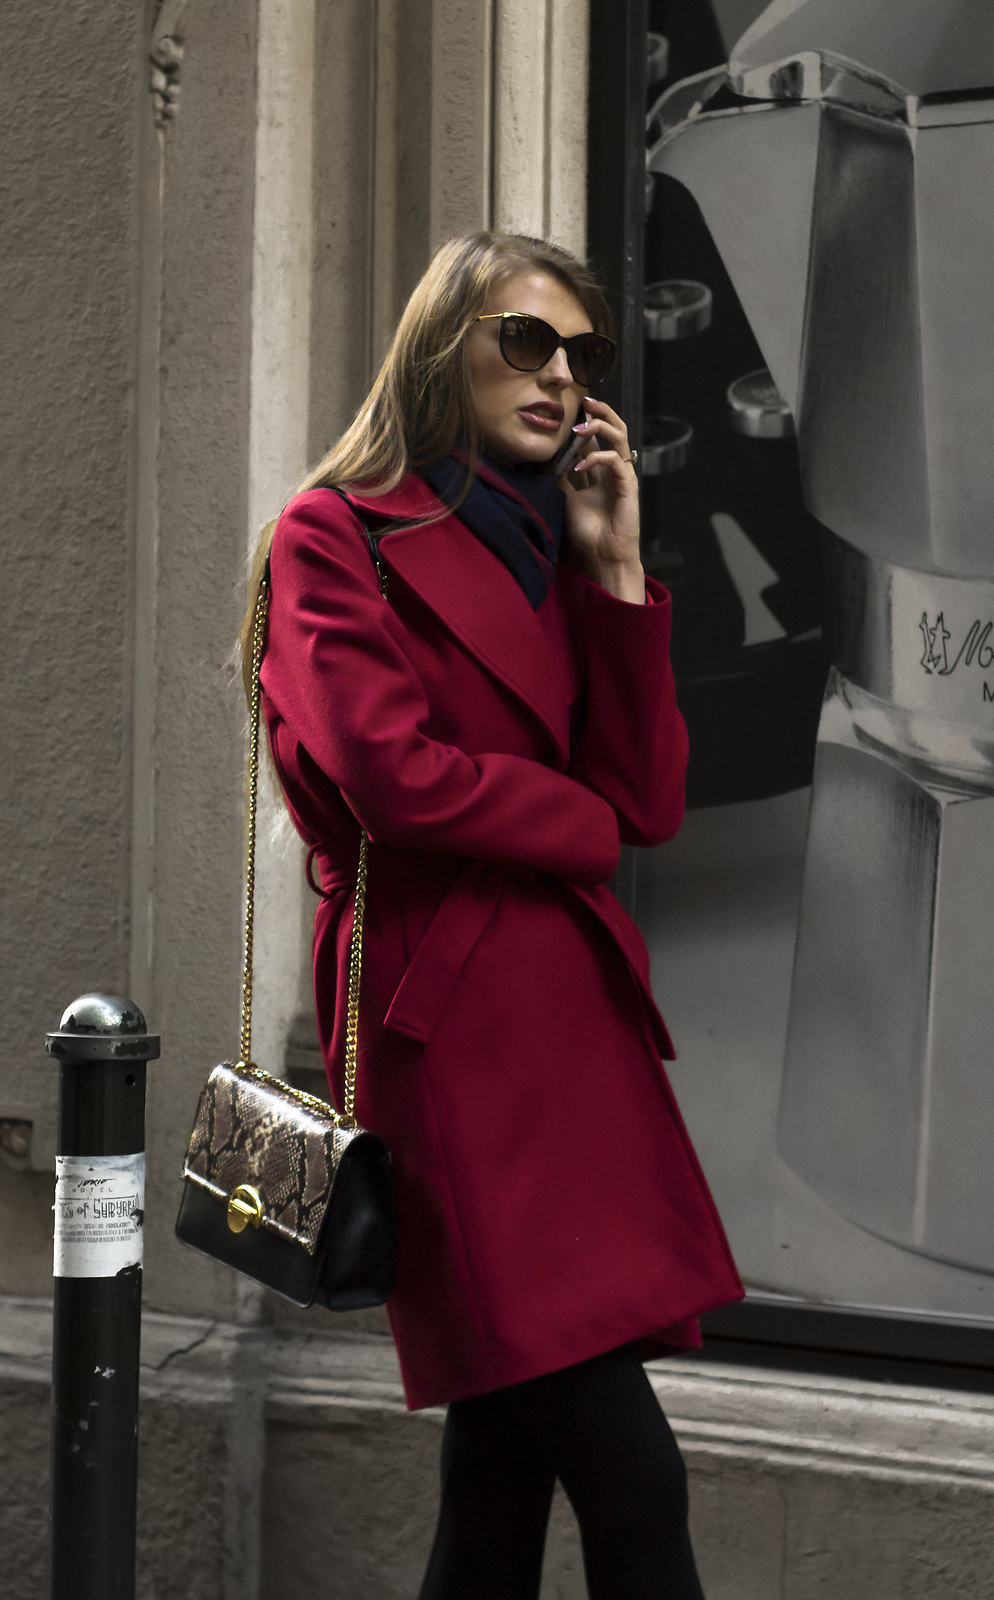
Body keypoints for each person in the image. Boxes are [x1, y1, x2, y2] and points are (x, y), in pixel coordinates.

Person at [248, 231, 742, 1599]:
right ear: (440, 351)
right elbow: (394, 778)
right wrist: (566, 823)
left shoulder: (549, 539)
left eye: (580, 353)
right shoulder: (334, 538)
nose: (561, 376)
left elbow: (645, 800)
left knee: (503, 1471)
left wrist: (617, 569)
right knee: (633, 1475)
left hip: (566, 1026)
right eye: (527, 341)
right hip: (448, 1026)